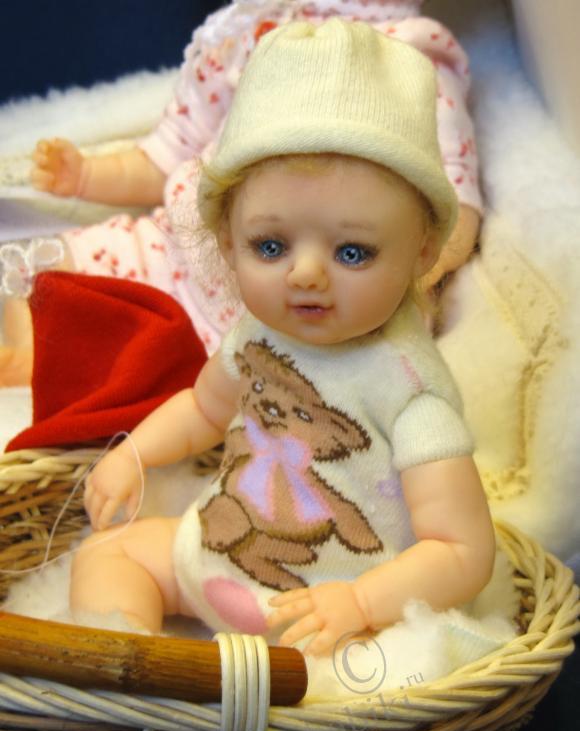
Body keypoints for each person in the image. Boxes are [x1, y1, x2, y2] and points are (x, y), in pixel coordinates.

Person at [69, 18, 495, 657]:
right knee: (109, 556)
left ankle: (218, 682)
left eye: (352, 252)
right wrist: (133, 455)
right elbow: (203, 410)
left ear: (423, 251)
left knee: (370, 677)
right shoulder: (256, 335)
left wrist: (360, 603)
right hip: (217, 563)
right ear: (227, 242)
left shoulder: (408, 393)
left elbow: (462, 551)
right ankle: (140, 671)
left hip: (329, 619)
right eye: (270, 246)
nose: (305, 275)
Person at [1, 0, 481, 385]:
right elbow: (169, 153)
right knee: (45, 273)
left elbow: (455, 207)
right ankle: (29, 341)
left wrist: (399, 284)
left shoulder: (408, 64)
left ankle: (54, 370)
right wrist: (85, 177)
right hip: (176, 245)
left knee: (172, 368)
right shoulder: (252, 30)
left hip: (281, 306)